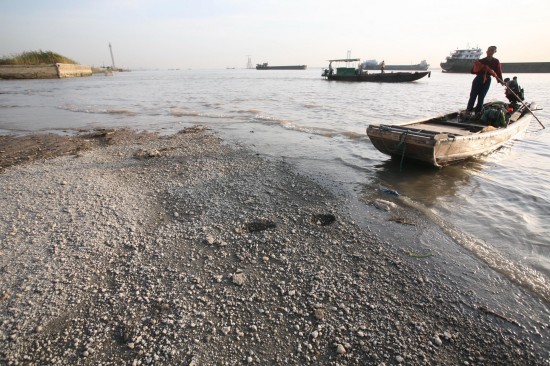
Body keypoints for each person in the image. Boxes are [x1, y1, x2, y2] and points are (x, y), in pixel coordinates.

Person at [466, 46, 504, 114]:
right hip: (478, 79)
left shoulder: (496, 61)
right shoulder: (481, 61)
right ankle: (468, 111)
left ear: (494, 52)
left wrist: (501, 81)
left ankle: (478, 112)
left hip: (487, 80)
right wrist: (479, 66)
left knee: (481, 96)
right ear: (486, 51)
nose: (490, 52)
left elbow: (498, 72)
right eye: (489, 50)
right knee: (473, 95)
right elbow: (472, 71)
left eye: (492, 51)